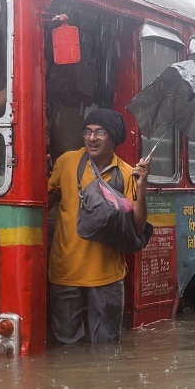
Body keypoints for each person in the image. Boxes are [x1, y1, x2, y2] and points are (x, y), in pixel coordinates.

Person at [46, 108, 150, 344]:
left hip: (107, 276)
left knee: (107, 349)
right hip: (65, 272)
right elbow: (45, 200)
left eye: (100, 132)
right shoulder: (66, 163)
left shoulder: (126, 173)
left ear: (113, 137)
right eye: (88, 131)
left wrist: (142, 187)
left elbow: (137, 226)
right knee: (66, 347)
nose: (92, 138)